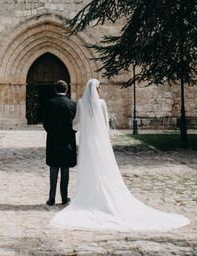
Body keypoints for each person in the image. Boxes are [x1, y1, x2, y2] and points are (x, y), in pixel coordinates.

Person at [50, 79, 189, 232]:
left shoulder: (81, 103)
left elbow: (75, 122)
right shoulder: (102, 103)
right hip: (99, 141)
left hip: (86, 142)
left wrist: (68, 128)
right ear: (97, 89)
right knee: (102, 166)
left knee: (87, 167)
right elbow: (106, 125)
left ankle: (83, 195)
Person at [42, 79, 77, 206]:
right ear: (66, 90)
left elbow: (45, 122)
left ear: (55, 90)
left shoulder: (49, 103)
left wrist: (51, 132)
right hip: (67, 140)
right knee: (65, 169)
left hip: (53, 140)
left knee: (53, 168)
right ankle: (64, 197)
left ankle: (51, 198)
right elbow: (76, 123)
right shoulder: (73, 104)